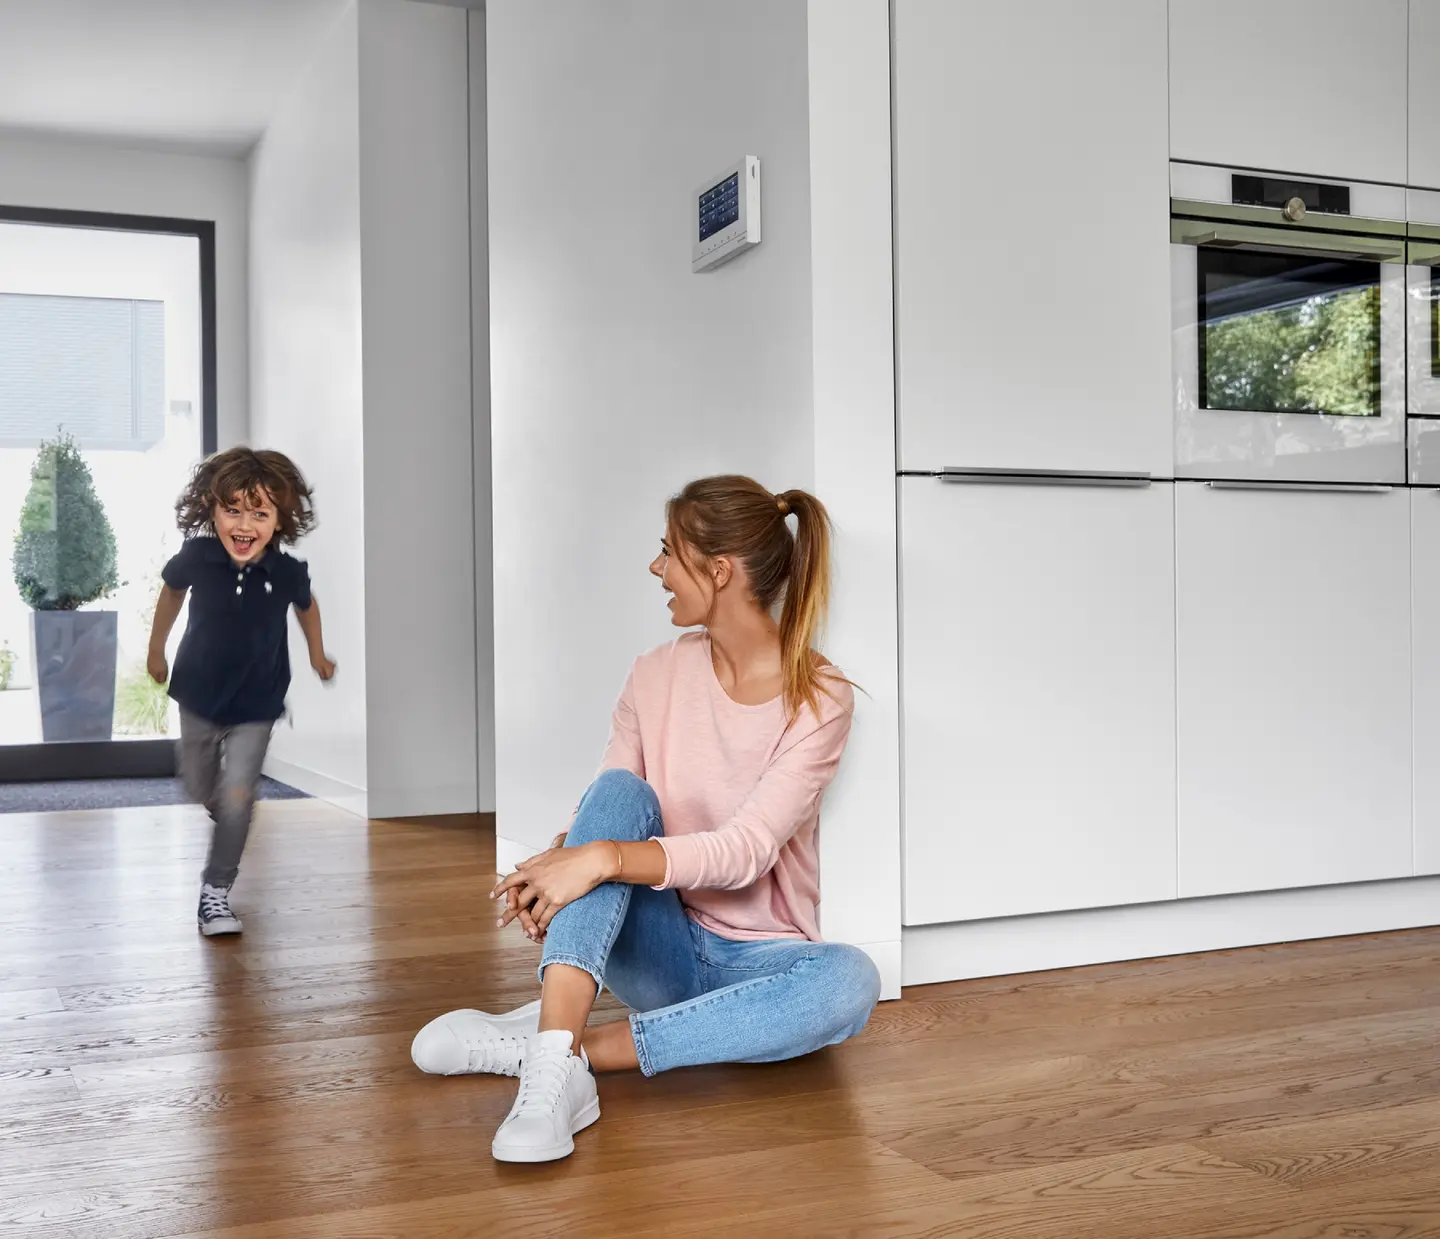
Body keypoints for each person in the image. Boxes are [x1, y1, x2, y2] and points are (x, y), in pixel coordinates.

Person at [411, 475, 882, 1164]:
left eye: (669, 551)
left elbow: (746, 850)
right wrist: (560, 865)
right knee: (620, 792)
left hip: (757, 963)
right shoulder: (652, 674)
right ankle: (552, 1063)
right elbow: (607, 808)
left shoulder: (821, 696)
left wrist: (597, 858)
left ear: (718, 570)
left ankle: (563, 1047)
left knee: (850, 981)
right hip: (654, 942)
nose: (656, 567)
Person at [147, 447, 335, 937]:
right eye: (232, 509)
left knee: (237, 794)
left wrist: (317, 654)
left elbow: (307, 607)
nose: (244, 524)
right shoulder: (197, 558)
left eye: (260, 512)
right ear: (212, 510)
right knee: (198, 784)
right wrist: (156, 651)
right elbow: (169, 595)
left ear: (279, 519)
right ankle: (229, 810)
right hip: (199, 695)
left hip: (258, 701)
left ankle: (215, 893)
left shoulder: (287, 570)